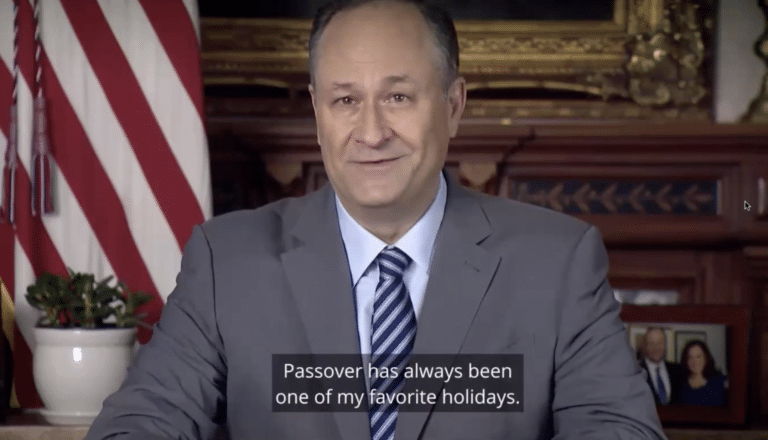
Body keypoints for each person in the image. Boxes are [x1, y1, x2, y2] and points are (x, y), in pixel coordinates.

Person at [85, 1, 667, 439]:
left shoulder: (557, 261)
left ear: (454, 105)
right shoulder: (227, 261)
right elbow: (139, 424)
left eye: (397, 98)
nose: (370, 133)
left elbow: (619, 430)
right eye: (344, 100)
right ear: (317, 113)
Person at [638, 327, 686, 405]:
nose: (656, 347)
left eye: (659, 342)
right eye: (651, 343)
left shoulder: (678, 370)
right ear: (645, 346)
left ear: (665, 344)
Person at [677, 340, 728, 406]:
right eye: (690, 357)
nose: (694, 362)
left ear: (706, 358)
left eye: (698, 357)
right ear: (686, 361)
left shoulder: (721, 381)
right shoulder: (680, 386)